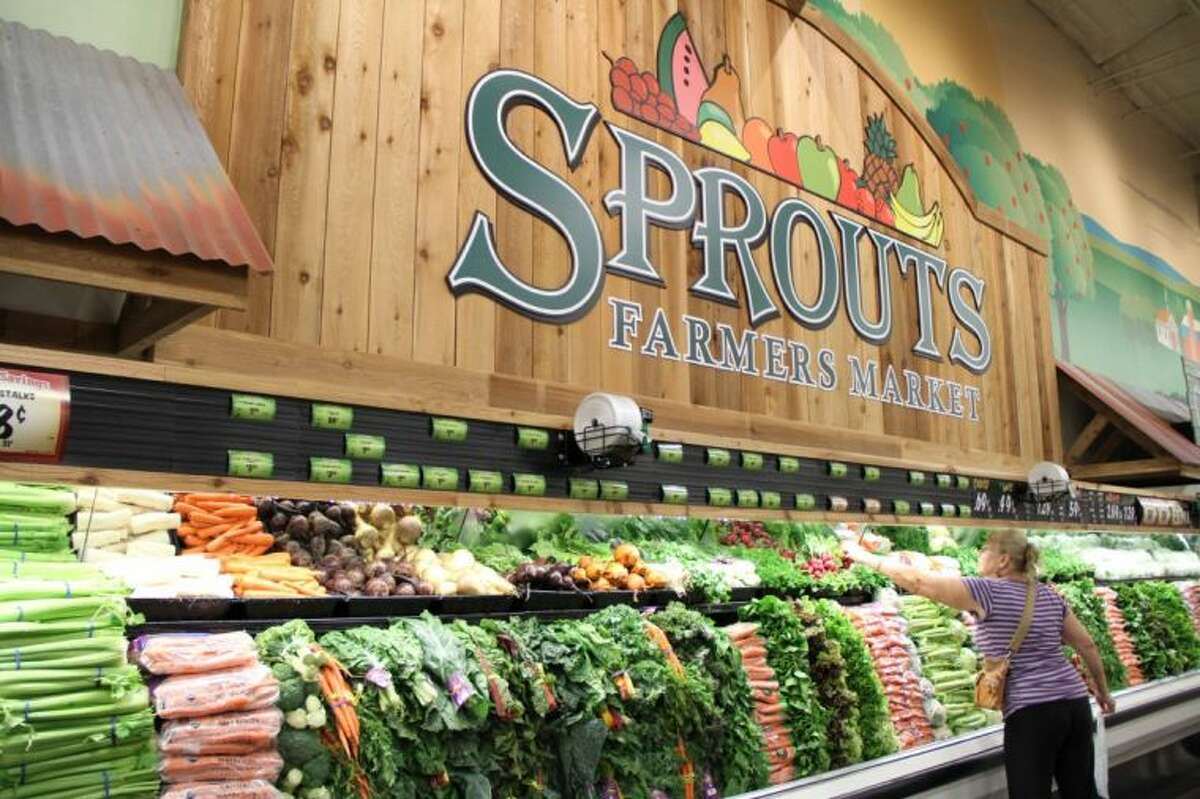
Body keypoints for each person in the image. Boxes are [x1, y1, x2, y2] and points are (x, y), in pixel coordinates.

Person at [845, 529, 1115, 799]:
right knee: (1081, 792)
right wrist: (1103, 692)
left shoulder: (986, 591)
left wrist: (864, 557)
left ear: (1003, 560)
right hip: (1075, 703)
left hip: (1031, 711)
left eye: (985, 549)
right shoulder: (1048, 594)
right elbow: (1086, 645)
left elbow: (917, 581)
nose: (979, 553)